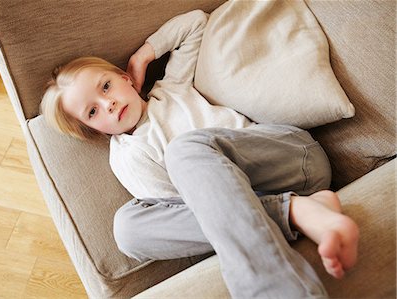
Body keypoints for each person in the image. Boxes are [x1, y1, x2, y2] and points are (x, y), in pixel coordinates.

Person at [41, 10, 359, 298]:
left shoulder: (171, 88)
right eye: (93, 111)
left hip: (291, 160)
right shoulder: (127, 157)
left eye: (106, 86)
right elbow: (187, 208)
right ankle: (294, 212)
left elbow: (195, 23)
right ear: (95, 131)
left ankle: (280, 243)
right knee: (126, 229)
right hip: (252, 206)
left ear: (125, 78)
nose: (107, 103)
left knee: (185, 150)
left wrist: (142, 58)